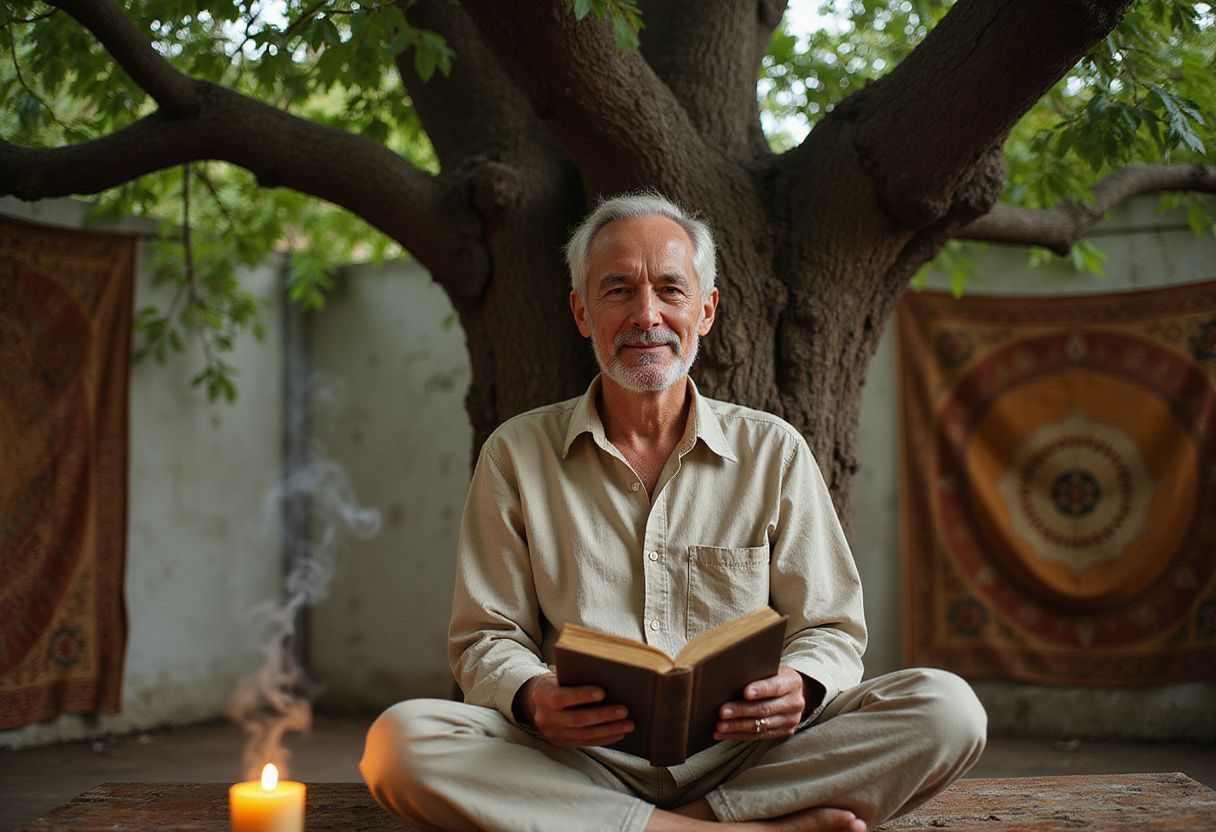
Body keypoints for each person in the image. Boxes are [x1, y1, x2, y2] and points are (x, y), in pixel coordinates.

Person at [361, 192, 987, 832]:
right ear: (582, 313)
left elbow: (831, 628)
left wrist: (801, 682)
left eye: (670, 290)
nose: (647, 315)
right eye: (618, 291)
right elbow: (486, 637)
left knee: (947, 711)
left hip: (751, 754)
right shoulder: (516, 453)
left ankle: (656, 825)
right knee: (402, 743)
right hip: (576, 759)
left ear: (706, 311)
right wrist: (532, 695)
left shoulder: (772, 450)